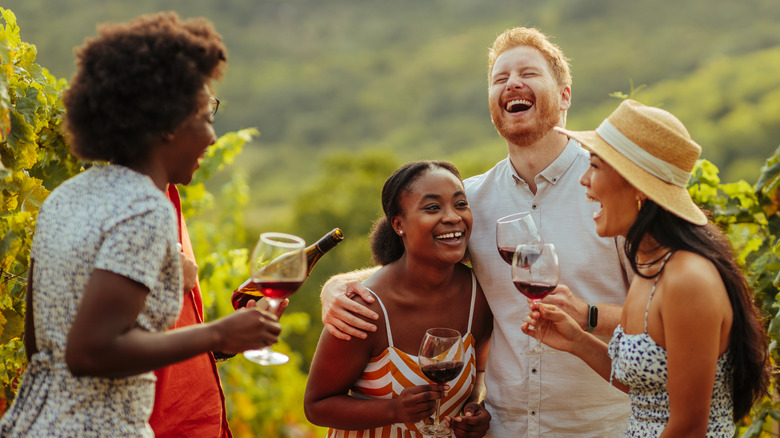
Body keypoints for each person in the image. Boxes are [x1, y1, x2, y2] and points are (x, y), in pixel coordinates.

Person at [320, 27, 633, 437]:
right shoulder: (470, 201)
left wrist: (589, 315)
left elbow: (664, 310)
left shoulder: (612, 189)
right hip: (504, 427)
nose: (512, 84)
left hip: (602, 427)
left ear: (565, 95)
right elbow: (417, 268)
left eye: (529, 73)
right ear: (492, 105)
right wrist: (340, 286)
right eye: (500, 79)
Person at [0, 12, 282, 437]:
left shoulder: (69, 196)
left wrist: (215, 337)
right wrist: (217, 333)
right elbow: (90, 352)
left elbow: (42, 345)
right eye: (206, 117)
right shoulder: (145, 209)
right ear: (167, 122)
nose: (211, 136)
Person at [523, 99, 770, 436]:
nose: (584, 180)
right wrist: (576, 341)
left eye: (595, 166)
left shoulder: (688, 280)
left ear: (637, 186)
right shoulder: (651, 268)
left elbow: (687, 428)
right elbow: (650, 391)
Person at [305, 161, 493, 437]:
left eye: (460, 204)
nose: (452, 217)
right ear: (399, 224)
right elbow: (316, 406)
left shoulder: (480, 295)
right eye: (432, 207)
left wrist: (473, 410)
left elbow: (478, 376)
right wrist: (394, 411)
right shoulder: (363, 309)